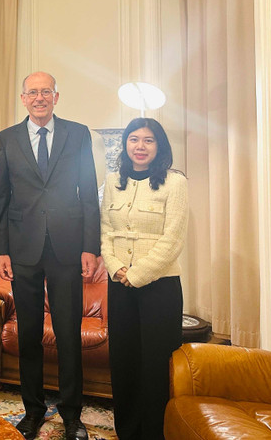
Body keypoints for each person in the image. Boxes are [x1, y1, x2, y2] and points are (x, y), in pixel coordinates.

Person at [0, 72, 100, 440]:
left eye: (46, 92)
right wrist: (1, 249)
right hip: (23, 249)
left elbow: (88, 192)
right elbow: (1, 199)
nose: (39, 98)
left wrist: (91, 246)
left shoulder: (78, 133)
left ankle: (72, 415)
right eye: (33, 92)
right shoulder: (5, 139)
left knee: (68, 332)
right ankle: (33, 410)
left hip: (68, 247)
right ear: (23, 98)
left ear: (57, 97)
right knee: (29, 335)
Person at [100, 118, 187, 440]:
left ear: (159, 146)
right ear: (125, 145)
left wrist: (137, 274)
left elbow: (173, 238)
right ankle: (127, 431)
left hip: (159, 286)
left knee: (155, 366)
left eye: (148, 140)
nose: (140, 146)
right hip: (119, 283)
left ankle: (155, 432)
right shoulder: (112, 180)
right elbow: (106, 230)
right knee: (123, 361)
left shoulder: (175, 182)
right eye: (134, 139)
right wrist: (115, 267)